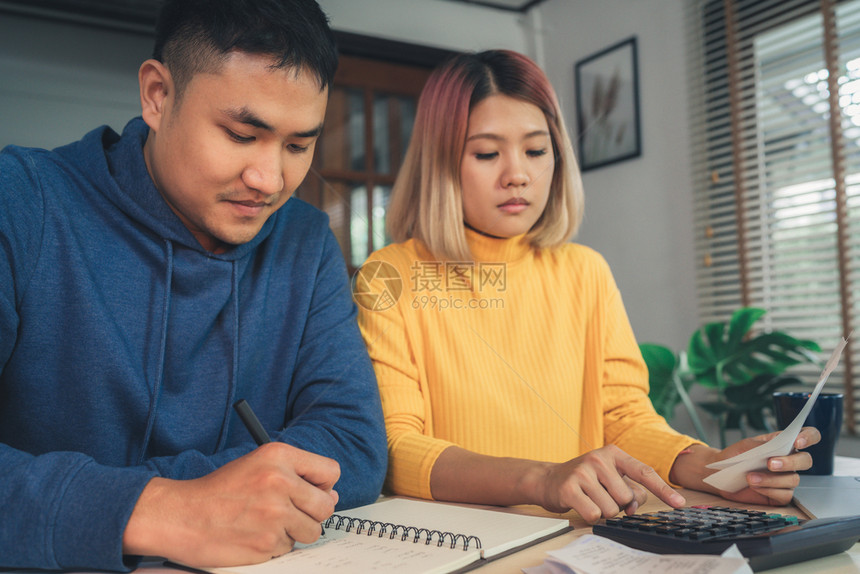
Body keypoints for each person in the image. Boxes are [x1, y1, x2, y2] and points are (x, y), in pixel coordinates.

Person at [0, 0, 387, 570]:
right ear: (158, 95)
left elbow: (352, 442)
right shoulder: (22, 202)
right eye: (239, 134)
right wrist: (164, 509)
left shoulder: (303, 241)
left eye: (298, 146)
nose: (270, 180)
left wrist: (183, 500)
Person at [357, 49, 819, 523]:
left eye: (536, 151)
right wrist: (542, 479)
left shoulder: (585, 271)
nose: (518, 174)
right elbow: (396, 447)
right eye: (487, 153)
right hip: (461, 540)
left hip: (577, 536)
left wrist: (713, 467)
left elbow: (624, 418)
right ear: (440, 164)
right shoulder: (389, 274)